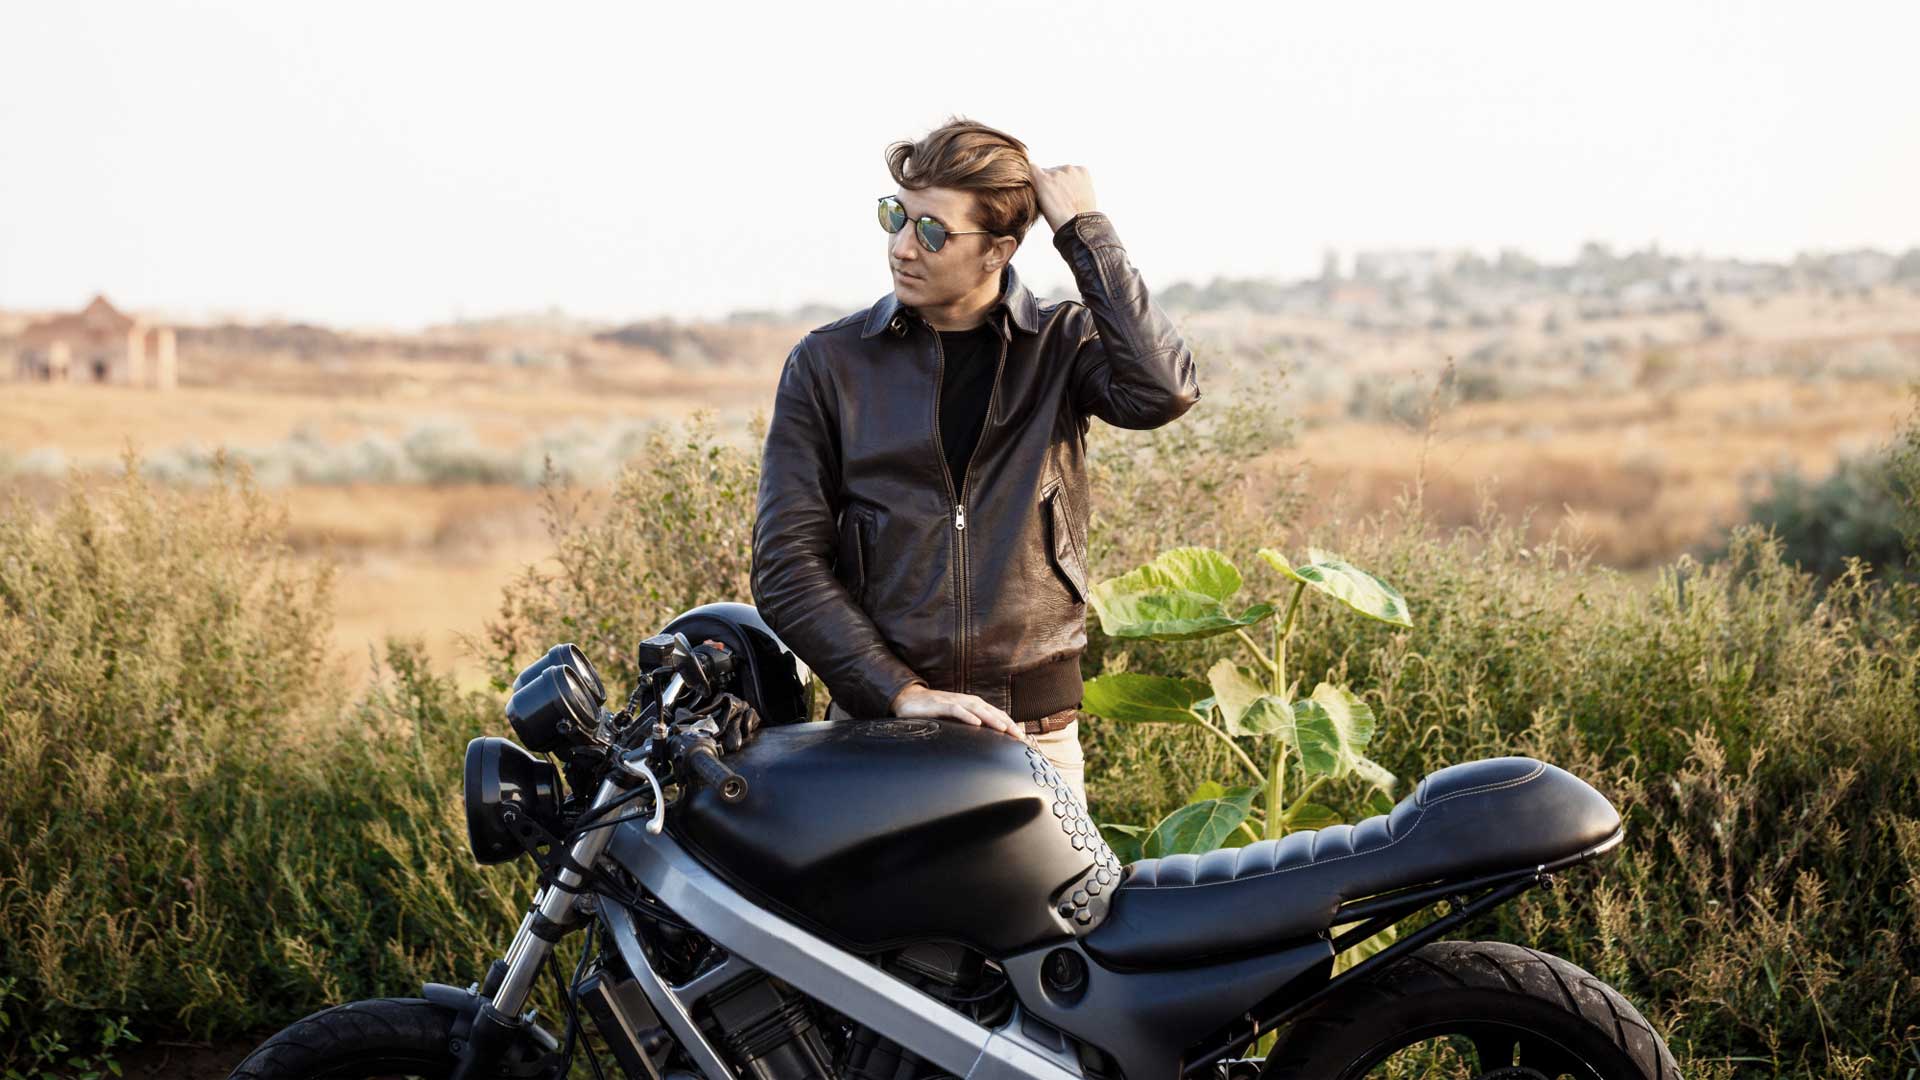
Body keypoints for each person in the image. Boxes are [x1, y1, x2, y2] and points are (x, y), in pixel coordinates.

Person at [749, 116, 1200, 807]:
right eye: (897, 216)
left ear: (999, 250)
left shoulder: (1061, 345)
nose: (902, 246)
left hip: (1034, 739)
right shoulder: (830, 363)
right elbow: (786, 565)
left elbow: (1162, 390)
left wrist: (1085, 232)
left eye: (933, 231)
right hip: (875, 737)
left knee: (1060, 890)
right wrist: (901, 692)